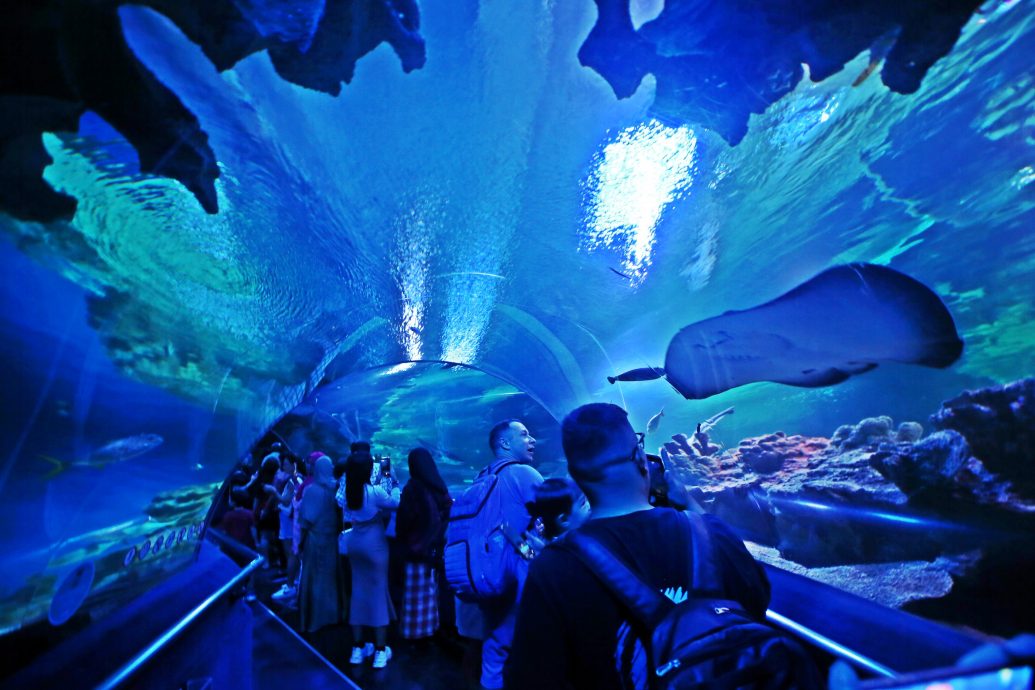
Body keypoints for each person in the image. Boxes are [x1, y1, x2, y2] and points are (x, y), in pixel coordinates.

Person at [505, 403, 770, 690]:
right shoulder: (710, 532)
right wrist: (691, 506)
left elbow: (531, 678)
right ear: (641, 460)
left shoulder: (554, 568)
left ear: (576, 477)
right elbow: (757, 603)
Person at [457, 419, 543, 690]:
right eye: (525, 434)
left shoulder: (483, 476)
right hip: (518, 574)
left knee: (495, 645)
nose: (533, 440)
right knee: (527, 647)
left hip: (486, 574)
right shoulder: (524, 474)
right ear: (505, 443)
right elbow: (558, 511)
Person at [343, 451, 402, 669]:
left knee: (357, 593)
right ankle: (379, 650)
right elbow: (395, 502)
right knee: (377, 593)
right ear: (370, 469)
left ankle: (357, 649)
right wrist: (392, 480)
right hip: (374, 545)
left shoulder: (348, 493)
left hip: (354, 543)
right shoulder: (374, 492)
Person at [396, 447, 453, 641]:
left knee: (414, 593)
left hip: (415, 549)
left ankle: (415, 633)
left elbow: (404, 520)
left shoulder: (412, 488)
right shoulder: (439, 485)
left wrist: (403, 540)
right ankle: (432, 628)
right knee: (431, 589)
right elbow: (448, 512)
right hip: (435, 548)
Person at [297, 455, 347, 634]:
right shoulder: (336, 488)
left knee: (315, 578)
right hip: (332, 540)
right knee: (331, 578)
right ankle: (334, 615)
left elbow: (306, 522)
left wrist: (300, 544)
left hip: (316, 540)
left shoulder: (312, 490)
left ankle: (316, 620)